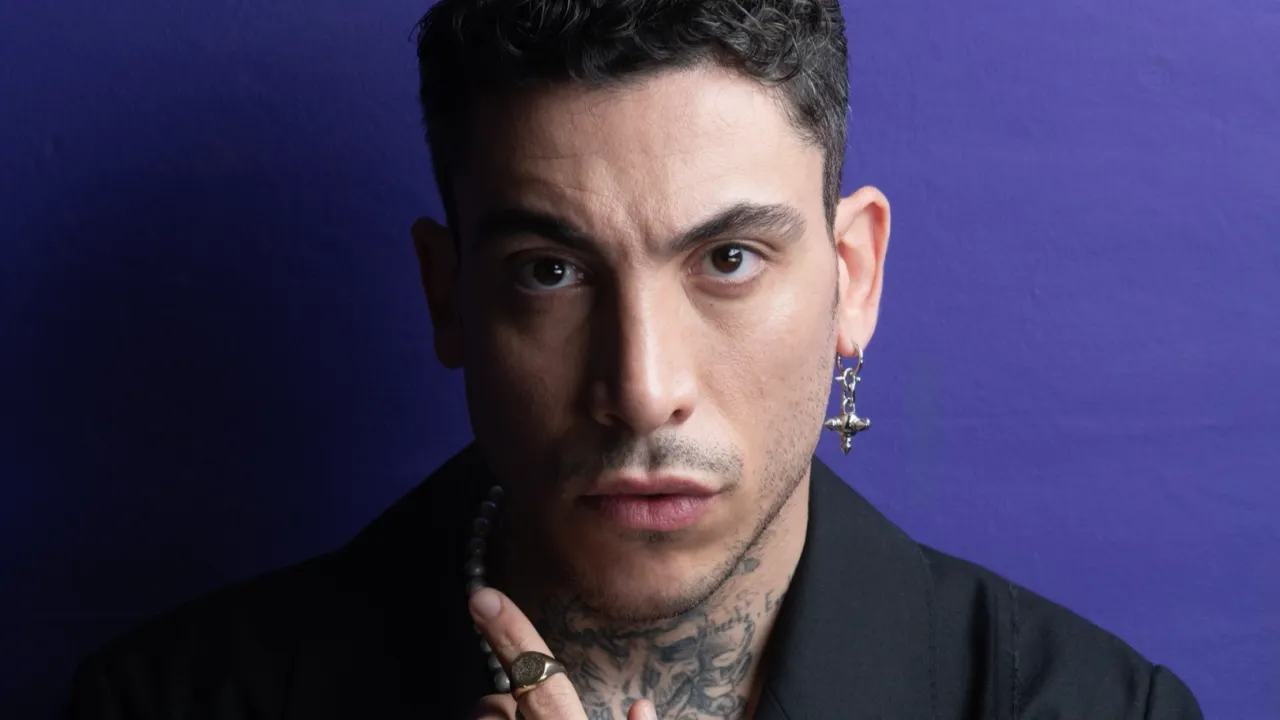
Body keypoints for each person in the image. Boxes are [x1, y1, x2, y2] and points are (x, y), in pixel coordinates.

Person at [65, 1, 1204, 718]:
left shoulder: (1094, 707)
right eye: (550, 271)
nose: (642, 389)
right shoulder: (171, 702)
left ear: (852, 277)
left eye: (727, 259)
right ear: (447, 295)